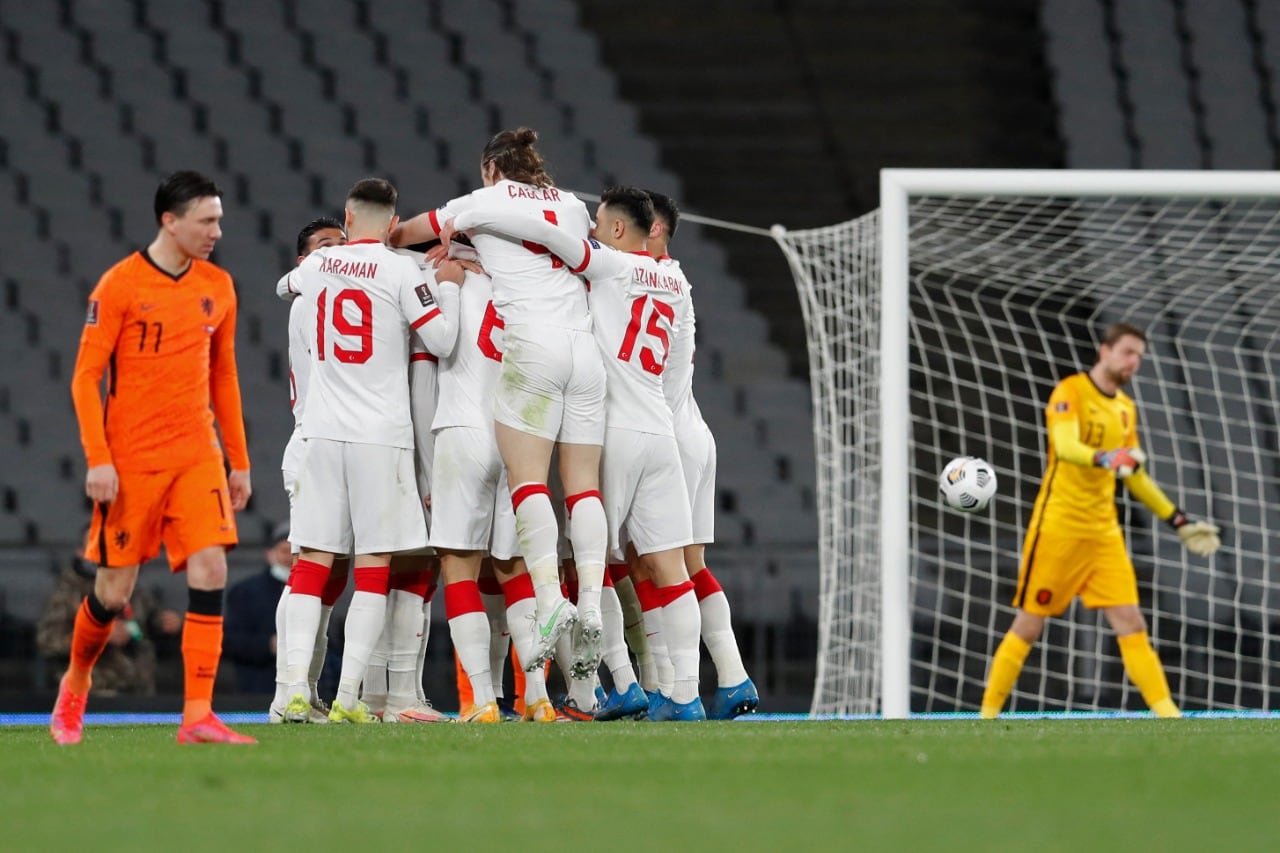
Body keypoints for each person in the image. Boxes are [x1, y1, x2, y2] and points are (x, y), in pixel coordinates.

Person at [444, 185, 707, 720]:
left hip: (613, 427)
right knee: (672, 569)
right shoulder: (677, 282)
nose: (590, 231)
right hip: (662, 427)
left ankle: (608, 680)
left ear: (617, 229)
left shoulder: (609, 265)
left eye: (597, 224)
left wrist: (469, 220)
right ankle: (687, 694)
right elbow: (681, 367)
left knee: (593, 561)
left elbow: (544, 234)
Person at [391, 128, 607, 675]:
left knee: (528, 479)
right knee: (582, 486)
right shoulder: (572, 205)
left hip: (532, 347)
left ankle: (552, 601)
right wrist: (473, 248)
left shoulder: (481, 201)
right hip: (585, 353)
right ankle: (589, 605)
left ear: (491, 167)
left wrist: (457, 246)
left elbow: (403, 235)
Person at [56, 170, 256, 744]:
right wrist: (98, 459)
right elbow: (85, 378)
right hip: (132, 463)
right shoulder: (119, 285)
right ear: (170, 221)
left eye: (218, 220)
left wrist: (238, 460)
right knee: (112, 594)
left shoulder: (219, 286)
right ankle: (76, 682)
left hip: (196, 452)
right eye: (207, 220)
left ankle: (198, 714)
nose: (217, 231)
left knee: (212, 567)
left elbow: (224, 377)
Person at [279, 177, 465, 723]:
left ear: (347, 215)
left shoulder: (317, 265)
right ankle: (346, 698)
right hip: (379, 437)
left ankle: (291, 690)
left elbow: (285, 286)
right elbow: (443, 340)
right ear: (393, 224)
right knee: (374, 567)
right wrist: (448, 287)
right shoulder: (401, 271)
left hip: (320, 432)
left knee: (312, 563)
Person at [979, 322, 1221, 719]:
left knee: (1131, 621)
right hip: (1058, 529)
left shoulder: (1125, 409)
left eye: (1139, 356)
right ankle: (987, 715)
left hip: (1104, 534)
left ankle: (1169, 715)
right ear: (1104, 350)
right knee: (1030, 623)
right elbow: (1065, 446)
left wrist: (1177, 519)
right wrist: (1106, 457)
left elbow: (1134, 475)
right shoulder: (1070, 392)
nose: (1133, 362)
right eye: (1127, 352)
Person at [641, 190, 758, 720]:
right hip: (691, 432)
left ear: (654, 229)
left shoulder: (644, 280)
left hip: (666, 438)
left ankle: (672, 686)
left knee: (651, 565)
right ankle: (732, 676)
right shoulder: (675, 280)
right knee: (689, 565)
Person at [269, 216, 349, 724]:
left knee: (331, 577)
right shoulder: (310, 302)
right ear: (305, 261)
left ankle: (305, 691)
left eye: (343, 243)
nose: (337, 252)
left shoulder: (331, 296)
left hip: (339, 443)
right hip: (317, 442)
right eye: (324, 246)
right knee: (310, 568)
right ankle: (288, 692)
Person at [37, 530, 183, 695]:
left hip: (139, 692)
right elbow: (47, 642)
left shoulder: (130, 586)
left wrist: (165, 622)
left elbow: (146, 622)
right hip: (92, 694)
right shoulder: (67, 592)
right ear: (81, 552)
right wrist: (98, 636)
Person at [223, 522, 294, 694]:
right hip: (260, 686)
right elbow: (230, 640)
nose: (290, 558)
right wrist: (269, 645)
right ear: (270, 554)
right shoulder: (245, 592)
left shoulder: (314, 592)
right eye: (285, 551)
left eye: (295, 553)